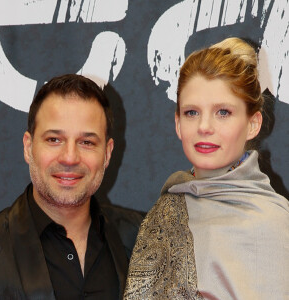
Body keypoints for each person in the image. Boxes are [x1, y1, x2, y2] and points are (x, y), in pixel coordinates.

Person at [123, 38, 289, 299]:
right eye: (191, 113)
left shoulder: (273, 224)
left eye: (223, 112)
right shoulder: (166, 209)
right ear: (177, 123)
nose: (204, 127)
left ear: (253, 124)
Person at [0, 74, 144, 299]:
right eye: (54, 139)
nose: (70, 158)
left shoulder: (144, 237)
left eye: (86, 142)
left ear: (108, 154)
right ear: (28, 147)